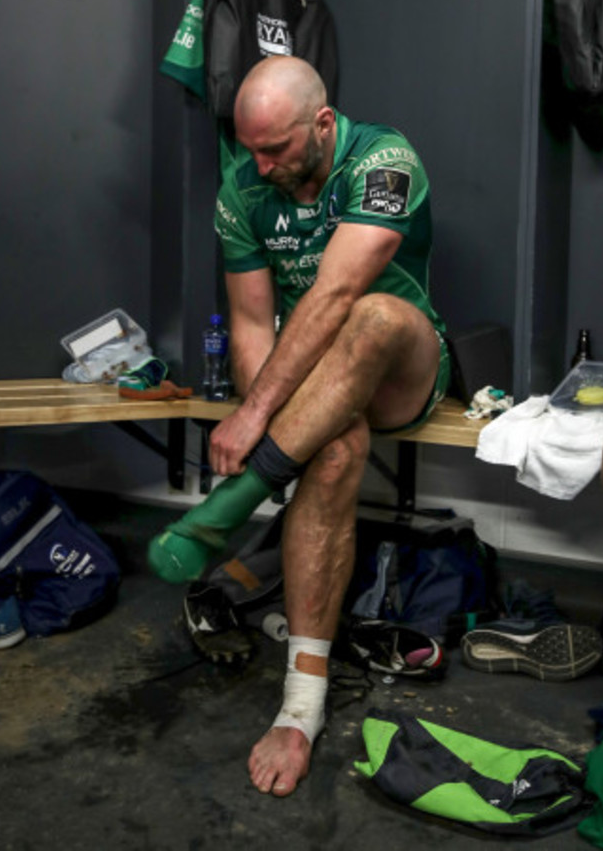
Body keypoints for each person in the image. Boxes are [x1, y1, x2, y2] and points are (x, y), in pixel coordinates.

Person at [149, 55, 449, 797]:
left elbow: (339, 287)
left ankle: (245, 493)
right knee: (335, 447)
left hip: (401, 362)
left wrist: (255, 419)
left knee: (369, 312)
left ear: (321, 124)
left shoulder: (383, 158)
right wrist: (276, 409)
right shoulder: (243, 186)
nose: (261, 164)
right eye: (251, 148)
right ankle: (301, 707)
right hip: (310, 387)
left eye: (277, 148)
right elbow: (252, 326)